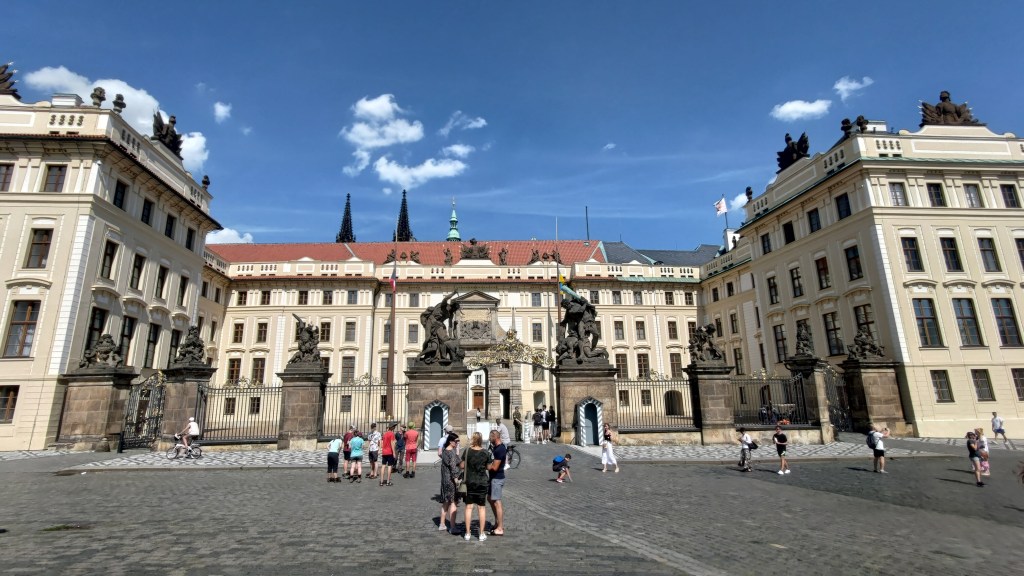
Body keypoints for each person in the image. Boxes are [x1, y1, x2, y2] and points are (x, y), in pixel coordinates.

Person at [461, 432, 492, 541]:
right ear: (481, 440)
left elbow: (462, 466)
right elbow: (489, 467)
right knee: (481, 508)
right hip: (482, 482)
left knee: (468, 507)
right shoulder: (486, 452)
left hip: (470, 482)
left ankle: (467, 533)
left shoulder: (467, 451)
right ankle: (482, 533)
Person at [438, 433, 462, 534]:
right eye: (456, 441)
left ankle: (442, 524)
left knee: (446, 502)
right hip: (451, 480)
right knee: (453, 502)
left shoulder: (444, 450)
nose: (457, 443)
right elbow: (453, 467)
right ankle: (452, 527)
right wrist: (456, 479)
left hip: (445, 480)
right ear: (451, 441)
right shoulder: (451, 452)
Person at [487, 429, 507, 536]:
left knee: (497, 502)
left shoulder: (500, 449)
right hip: (493, 478)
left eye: (491, 437)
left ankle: (500, 527)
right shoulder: (496, 448)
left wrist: (485, 465)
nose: (489, 439)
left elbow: (494, 467)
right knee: (490, 498)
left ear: (495, 437)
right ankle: (497, 522)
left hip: (497, 478)